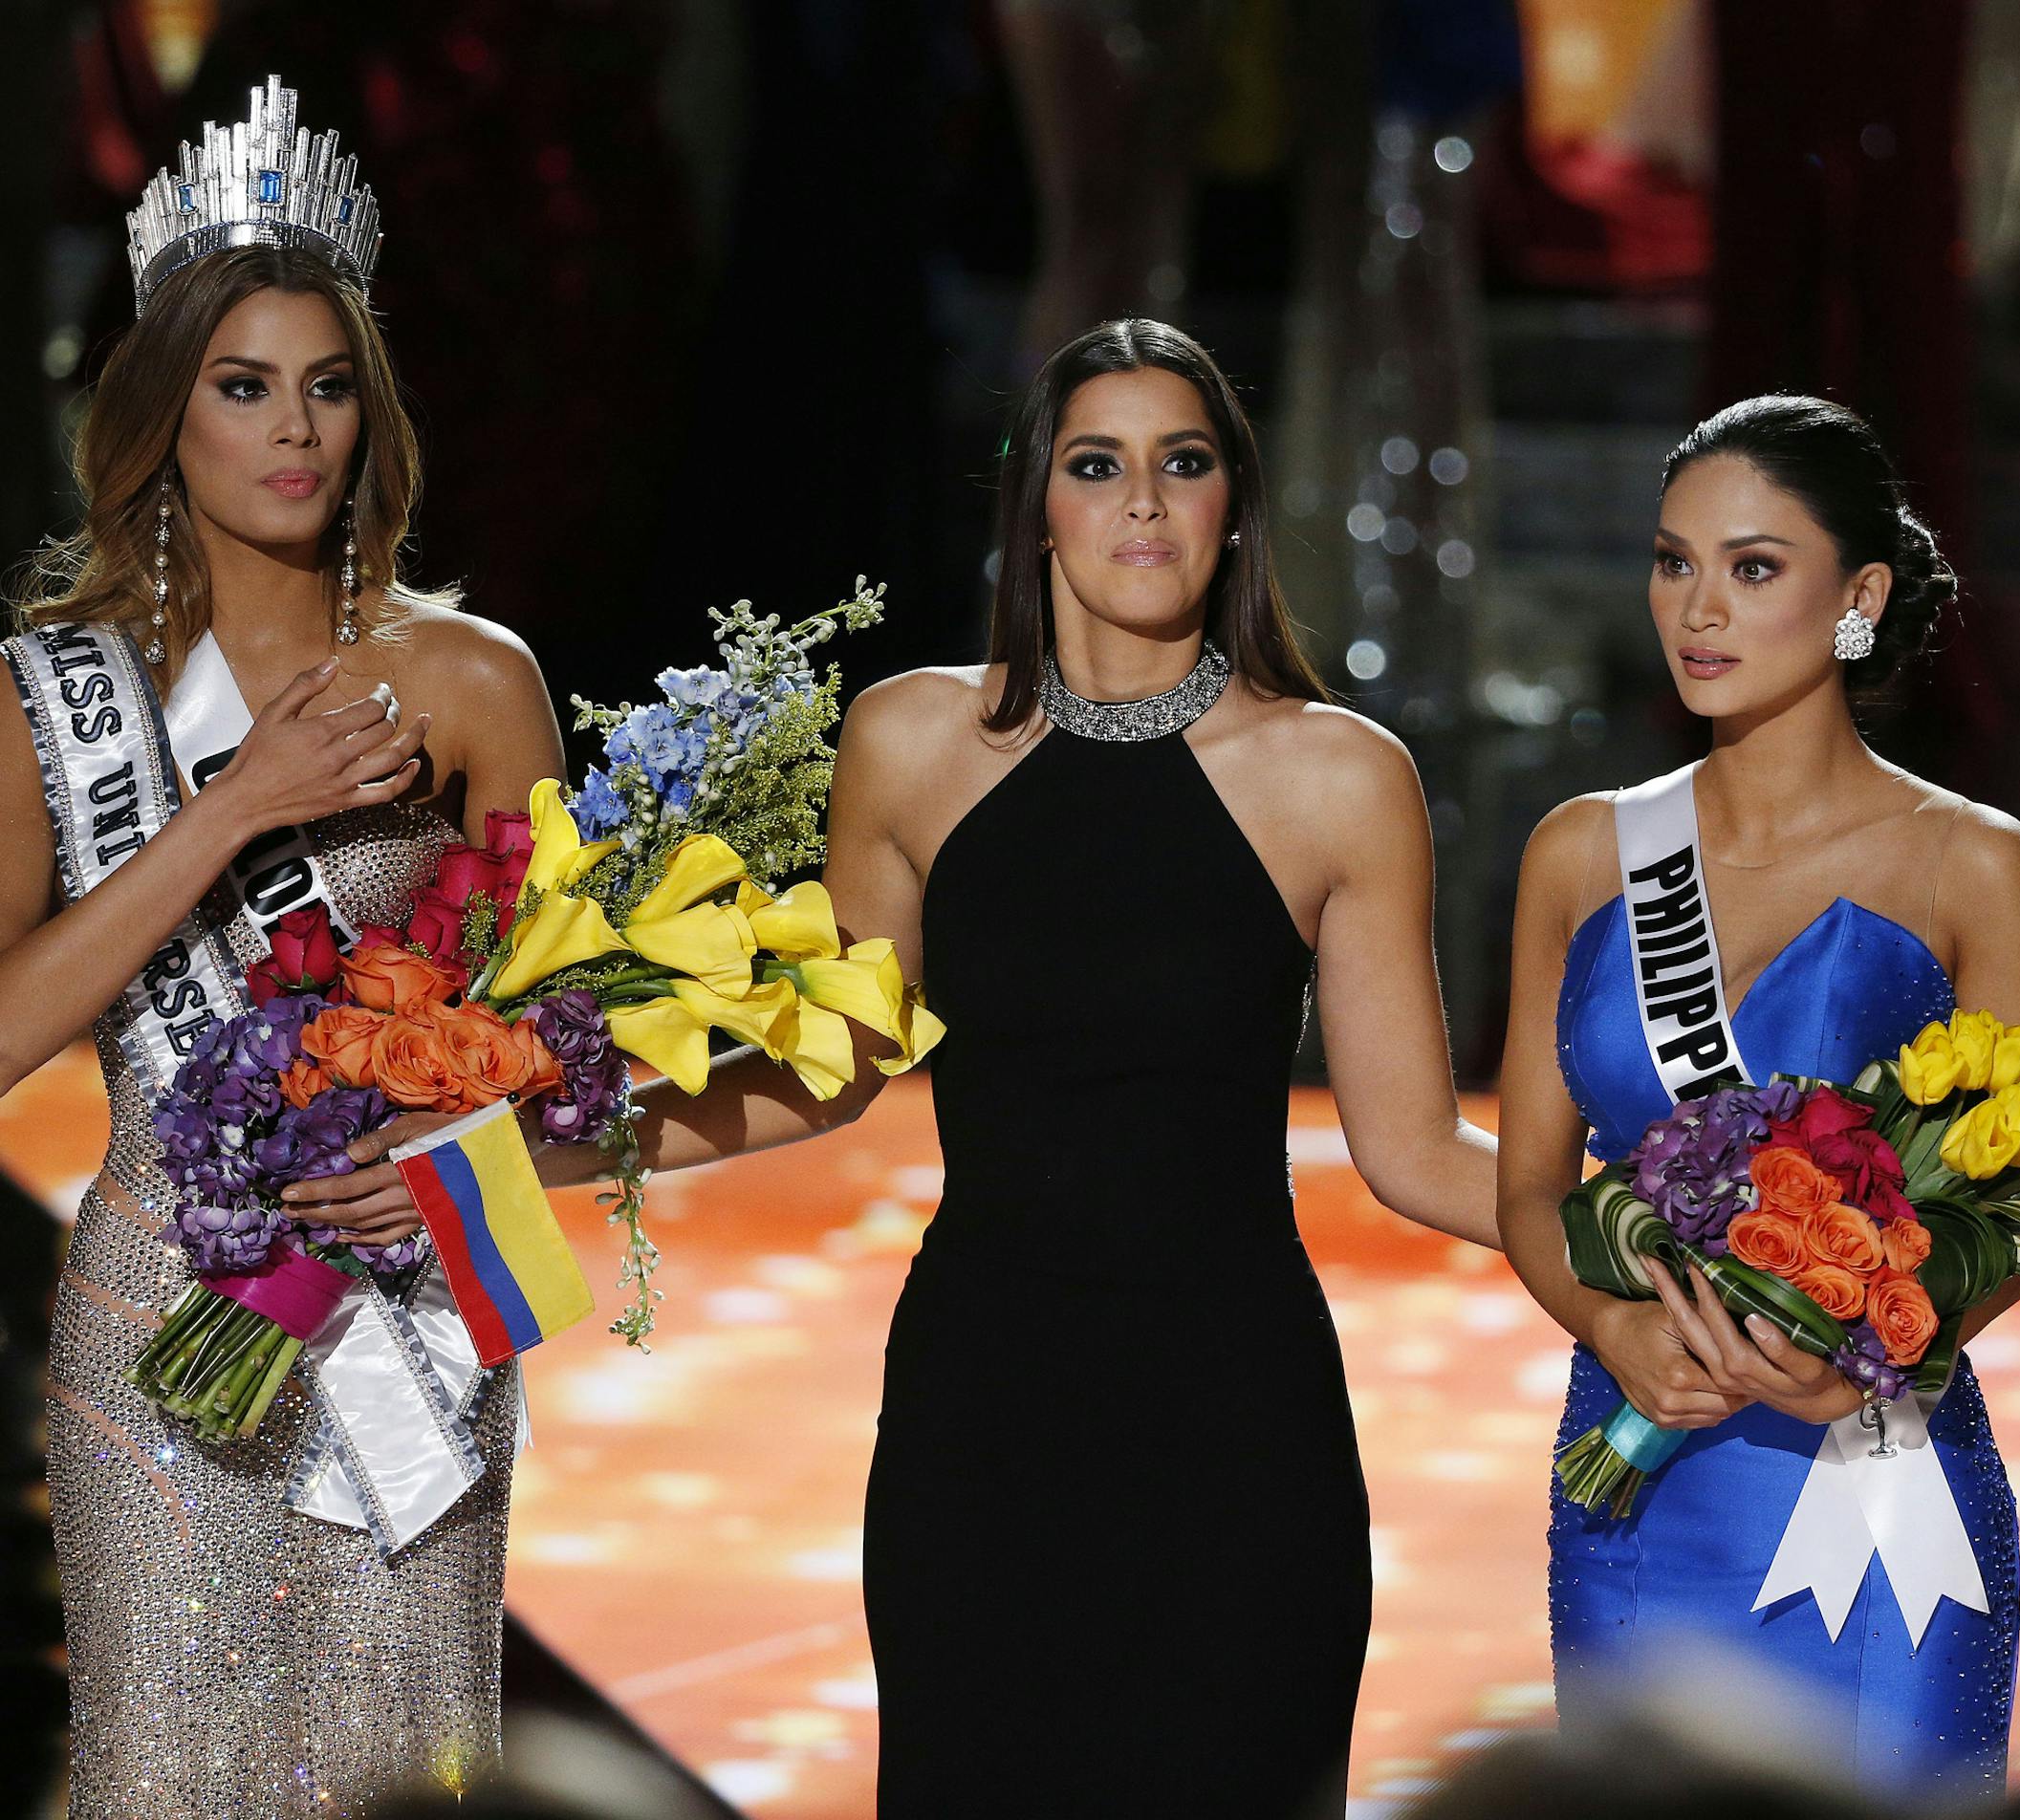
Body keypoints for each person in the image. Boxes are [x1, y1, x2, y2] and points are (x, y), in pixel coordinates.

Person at [354, 314, 1495, 1817]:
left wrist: (1645, 1242)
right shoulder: (911, 742)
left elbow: (1415, 1151)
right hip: (985, 1415)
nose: (1143, 502)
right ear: (1037, 510)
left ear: (1233, 509)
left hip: (1235, 1428)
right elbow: (827, 1069)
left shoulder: (1342, 776)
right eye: (1099, 465)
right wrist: (498, 1158)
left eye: (1183, 463)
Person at [0, 79, 561, 1813]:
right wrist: (233, 814)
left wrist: (458, 1180)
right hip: (162, 1323)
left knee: (406, 1776)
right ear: (165, 416)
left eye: (326, 387)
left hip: (419, 1310)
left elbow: (580, 1037)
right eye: (243, 388)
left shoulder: (473, 681)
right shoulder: (51, 702)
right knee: (169, 1779)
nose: (292, 431)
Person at [1496, 394, 2020, 1794]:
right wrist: (1608, 1323)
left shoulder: (1971, 865)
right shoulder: (1582, 855)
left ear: (1857, 595)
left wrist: (1866, 1358)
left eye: (1753, 568)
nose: (1699, 608)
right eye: (1673, 561)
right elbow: (1526, 1182)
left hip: (1872, 1487)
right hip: (1637, 1467)